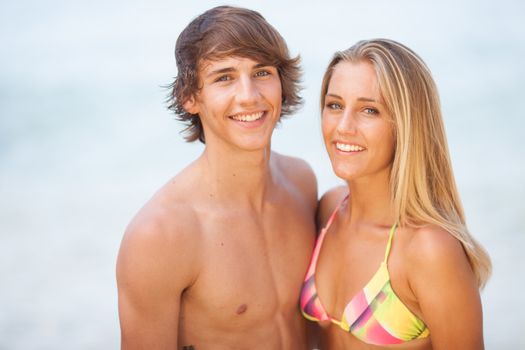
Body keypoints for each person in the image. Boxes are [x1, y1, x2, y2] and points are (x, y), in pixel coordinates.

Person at [116, 6, 318, 349]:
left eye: (262, 72)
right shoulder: (160, 235)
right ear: (190, 97)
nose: (249, 95)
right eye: (224, 77)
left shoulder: (302, 182)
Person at [300, 39, 492, 349]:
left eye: (369, 110)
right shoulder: (330, 209)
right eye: (335, 105)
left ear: (406, 124)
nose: (343, 127)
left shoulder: (429, 249)